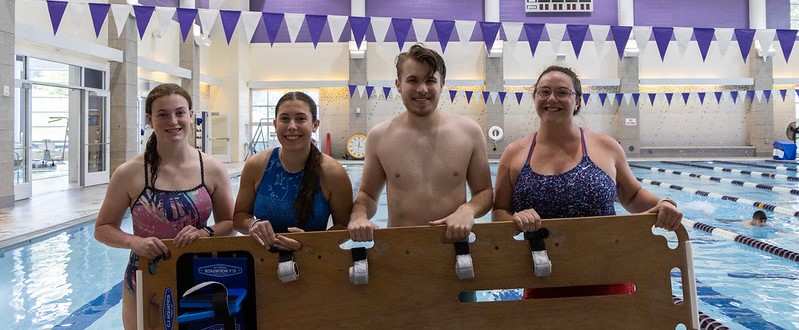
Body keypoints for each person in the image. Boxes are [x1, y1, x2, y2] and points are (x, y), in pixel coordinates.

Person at [491, 65, 682, 298]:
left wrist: (662, 202)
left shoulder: (605, 146)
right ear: (535, 98)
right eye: (544, 92)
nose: (552, 98)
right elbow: (499, 210)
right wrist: (515, 220)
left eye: (562, 92)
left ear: (578, 101)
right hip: (542, 276)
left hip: (609, 274)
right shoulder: (515, 153)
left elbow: (632, 195)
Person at [94, 83, 234, 329]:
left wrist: (206, 232)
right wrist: (134, 242)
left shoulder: (211, 169)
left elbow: (231, 222)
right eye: (162, 114)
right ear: (149, 119)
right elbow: (103, 228)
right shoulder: (129, 173)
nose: (173, 121)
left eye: (180, 112)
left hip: (200, 276)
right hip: (145, 279)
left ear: (191, 115)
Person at [347, 44, 493, 244]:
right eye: (413, 80)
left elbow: (484, 192)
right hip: (399, 250)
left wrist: (467, 210)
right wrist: (358, 216)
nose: (422, 89)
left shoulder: (469, 132)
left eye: (430, 80)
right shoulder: (379, 137)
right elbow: (367, 195)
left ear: (442, 84)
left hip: (454, 249)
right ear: (398, 84)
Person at [233, 92, 352, 251]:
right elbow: (239, 216)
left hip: (314, 262)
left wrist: (309, 244)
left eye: (301, 119)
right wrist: (252, 224)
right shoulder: (256, 165)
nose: (292, 126)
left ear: (315, 124)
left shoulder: (332, 172)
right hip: (262, 263)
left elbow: (344, 226)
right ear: (275, 124)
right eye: (284, 119)